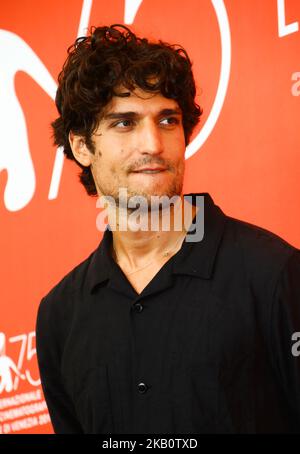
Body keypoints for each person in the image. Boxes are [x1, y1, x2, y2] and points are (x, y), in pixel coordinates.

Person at [36, 23, 300, 434]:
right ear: (82, 146)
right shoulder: (60, 316)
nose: (154, 145)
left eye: (167, 120)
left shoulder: (273, 273)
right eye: (125, 123)